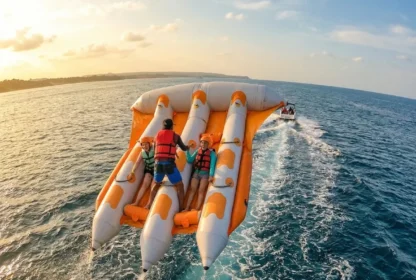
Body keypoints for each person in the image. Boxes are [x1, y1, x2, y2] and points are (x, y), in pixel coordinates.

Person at [144, 119, 189, 210]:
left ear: (163, 126)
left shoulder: (157, 136)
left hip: (158, 164)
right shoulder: (175, 136)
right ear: (172, 126)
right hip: (169, 165)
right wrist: (188, 147)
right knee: (180, 185)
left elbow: (157, 149)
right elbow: (184, 148)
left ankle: (149, 204)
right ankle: (181, 207)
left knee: (156, 183)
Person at [183, 135, 217, 211]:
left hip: (205, 174)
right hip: (196, 173)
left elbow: (212, 165)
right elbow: (190, 160)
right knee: (192, 190)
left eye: (205, 143)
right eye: (202, 143)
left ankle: (197, 209)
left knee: (201, 191)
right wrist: (187, 151)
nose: (203, 144)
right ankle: (187, 208)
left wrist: (211, 175)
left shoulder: (212, 154)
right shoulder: (198, 151)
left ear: (209, 144)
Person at [127, 137, 155, 206]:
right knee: (144, 184)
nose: (144, 146)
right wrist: (132, 172)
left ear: (149, 144)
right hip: (148, 170)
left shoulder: (154, 149)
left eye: (146, 144)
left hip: (156, 170)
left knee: (153, 185)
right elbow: (137, 162)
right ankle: (136, 202)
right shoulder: (142, 153)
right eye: (143, 145)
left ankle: (149, 204)